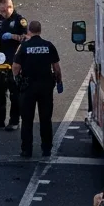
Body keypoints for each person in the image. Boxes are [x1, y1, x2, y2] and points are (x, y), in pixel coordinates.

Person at [13, 19, 62, 158]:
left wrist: (18, 80)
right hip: (45, 86)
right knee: (45, 119)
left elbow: (16, 67)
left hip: (28, 87)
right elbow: (56, 68)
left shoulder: (24, 46)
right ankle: (46, 149)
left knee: (27, 120)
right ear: (40, 30)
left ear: (29, 30)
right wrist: (58, 81)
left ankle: (26, 150)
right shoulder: (48, 46)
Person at [0, 0, 27, 131]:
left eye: (4, 10)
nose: (3, 13)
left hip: (15, 60)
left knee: (14, 91)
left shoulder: (19, 20)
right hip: (2, 59)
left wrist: (13, 36)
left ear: (10, 7)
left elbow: (27, 38)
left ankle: (14, 120)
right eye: (1, 10)